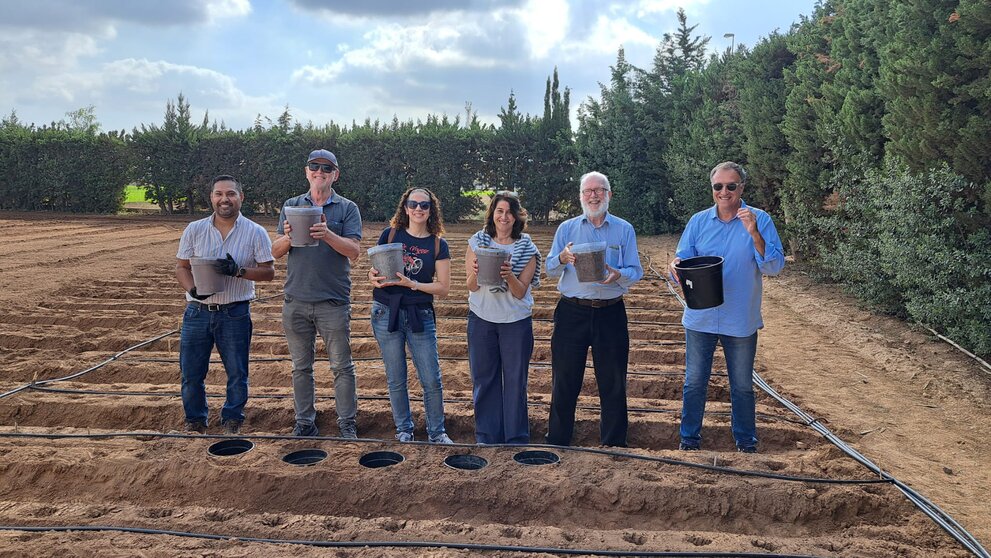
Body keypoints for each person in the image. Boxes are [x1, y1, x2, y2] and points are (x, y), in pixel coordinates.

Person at [668, 161, 785, 453]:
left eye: (731, 186)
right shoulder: (698, 221)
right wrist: (676, 268)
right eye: (718, 186)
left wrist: (754, 233)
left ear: (741, 188)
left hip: (739, 319)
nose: (724, 191)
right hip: (700, 317)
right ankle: (689, 439)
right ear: (712, 189)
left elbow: (774, 267)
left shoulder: (760, 219)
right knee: (694, 382)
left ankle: (746, 441)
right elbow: (682, 259)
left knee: (742, 385)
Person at [545, 171, 643, 447]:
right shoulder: (567, 229)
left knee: (613, 381)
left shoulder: (624, 229)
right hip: (571, 312)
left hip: (610, 312)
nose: (594, 195)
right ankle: (559, 440)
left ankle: (613, 443)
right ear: (580, 196)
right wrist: (562, 257)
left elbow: (636, 270)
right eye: (588, 191)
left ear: (609, 195)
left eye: (599, 190)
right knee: (565, 380)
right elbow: (550, 269)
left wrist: (618, 275)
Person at [175, 174, 275, 435]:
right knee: (191, 372)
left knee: (237, 372)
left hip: (234, 312)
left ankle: (232, 419)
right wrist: (193, 290)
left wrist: (238, 271)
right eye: (219, 194)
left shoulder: (255, 232)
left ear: (241, 197)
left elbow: (269, 272)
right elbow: (182, 267)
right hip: (197, 312)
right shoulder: (194, 229)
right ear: (211, 198)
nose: (224, 199)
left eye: (230, 194)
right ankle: (195, 421)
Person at [273, 149, 362, 438]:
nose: (320, 172)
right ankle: (305, 422)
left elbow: (354, 252)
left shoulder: (347, 208)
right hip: (296, 300)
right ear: (307, 171)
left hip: (332, 302)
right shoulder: (291, 205)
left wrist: (327, 234)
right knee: (301, 367)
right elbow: (274, 253)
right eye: (315, 167)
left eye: (326, 168)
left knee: (341, 366)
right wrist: (288, 237)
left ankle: (347, 423)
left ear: (335, 174)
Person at [368, 187, 454, 444]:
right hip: (386, 311)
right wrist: (372, 277)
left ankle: (437, 432)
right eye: (413, 204)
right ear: (405, 208)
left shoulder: (438, 244)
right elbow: (375, 274)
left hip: (420, 313)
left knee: (431, 377)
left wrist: (413, 285)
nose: (418, 209)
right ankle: (404, 429)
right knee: (396, 376)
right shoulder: (390, 234)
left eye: (424, 205)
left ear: (431, 211)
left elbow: (444, 288)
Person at [465, 191, 541, 444]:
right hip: (482, 319)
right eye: (499, 211)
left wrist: (508, 275)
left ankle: (516, 437)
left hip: (515, 322)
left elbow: (520, 293)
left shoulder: (527, 248)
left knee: (515, 381)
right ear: (492, 214)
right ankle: (487, 436)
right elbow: (472, 286)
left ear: (517, 216)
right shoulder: (477, 242)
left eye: (509, 212)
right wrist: (477, 271)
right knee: (484, 379)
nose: (504, 216)